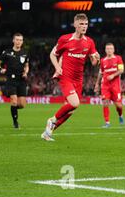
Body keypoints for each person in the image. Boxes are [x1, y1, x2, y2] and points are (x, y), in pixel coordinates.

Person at [41, 13, 99, 141]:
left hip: (79, 79)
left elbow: (93, 62)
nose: (84, 27)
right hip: (66, 77)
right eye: (81, 24)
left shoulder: (89, 42)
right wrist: (57, 67)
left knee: (71, 110)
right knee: (75, 103)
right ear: (75, 25)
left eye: (86, 24)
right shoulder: (65, 39)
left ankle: (48, 132)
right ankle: (52, 120)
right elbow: (52, 54)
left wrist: (97, 60)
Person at [0, 33, 29, 128]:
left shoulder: (25, 53)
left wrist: (26, 72)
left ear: (22, 42)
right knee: (14, 101)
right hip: (11, 80)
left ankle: (13, 108)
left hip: (21, 81)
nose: (19, 42)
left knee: (22, 105)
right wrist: (1, 69)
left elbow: (26, 66)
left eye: (20, 40)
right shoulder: (6, 52)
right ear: (13, 41)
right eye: (17, 40)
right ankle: (15, 122)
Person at [94, 43, 124, 128]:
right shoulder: (103, 60)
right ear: (105, 50)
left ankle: (120, 116)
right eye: (107, 49)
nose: (109, 50)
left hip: (115, 85)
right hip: (105, 85)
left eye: (111, 48)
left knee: (118, 105)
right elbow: (100, 73)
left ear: (113, 50)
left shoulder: (118, 58)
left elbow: (121, 70)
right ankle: (107, 122)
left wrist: (113, 75)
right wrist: (97, 84)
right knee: (105, 103)